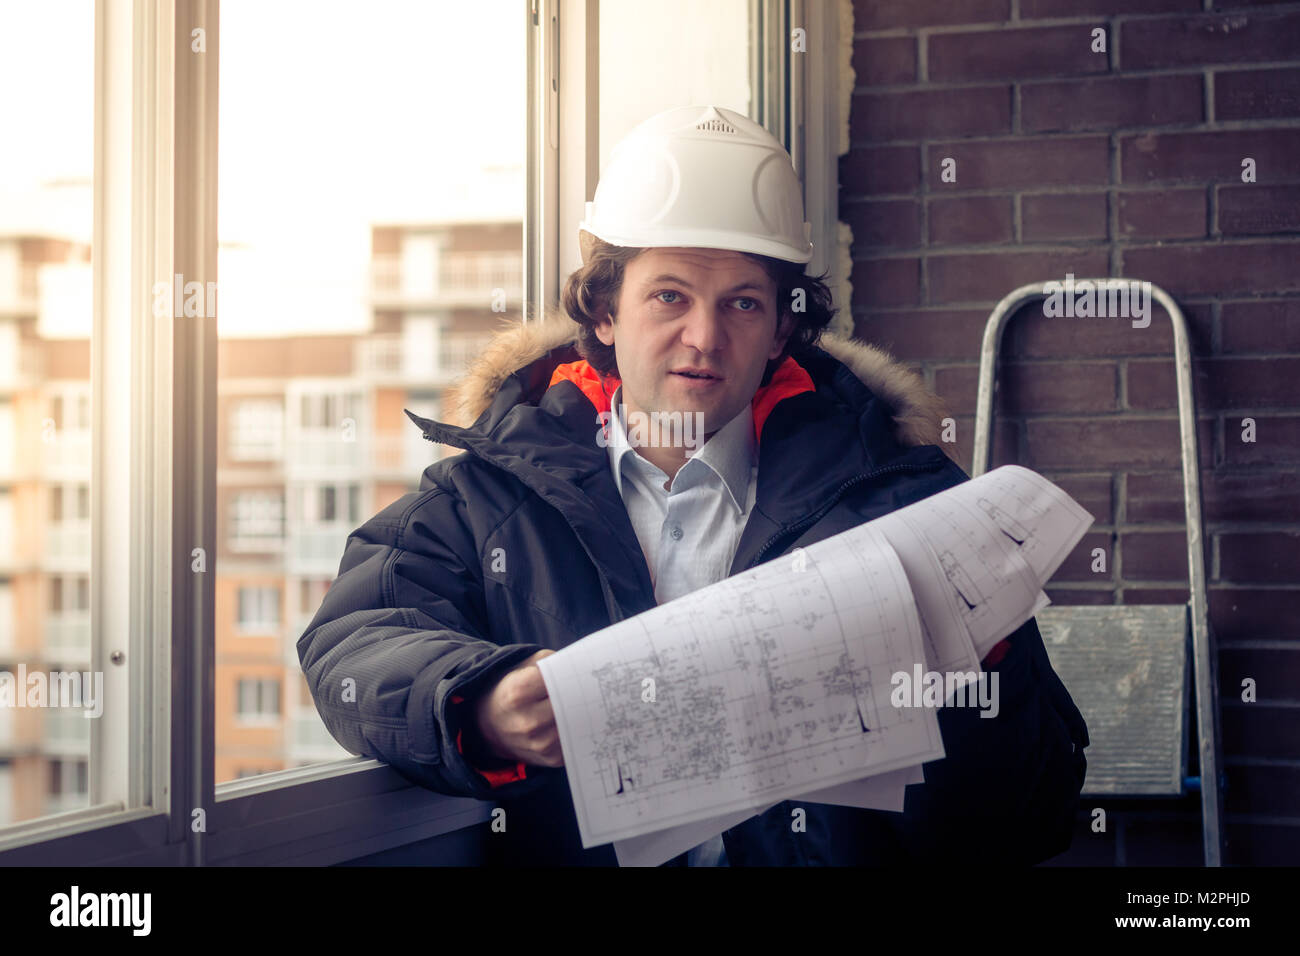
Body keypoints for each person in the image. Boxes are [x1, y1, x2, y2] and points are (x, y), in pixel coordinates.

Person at [297, 105, 1089, 866]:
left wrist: (987, 665)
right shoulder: (484, 503)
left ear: (782, 327)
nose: (704, 337)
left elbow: (1033, 814)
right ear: (605, 312)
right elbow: (353, 644)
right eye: (669, 295)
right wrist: (477, 701)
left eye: (743, 303)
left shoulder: (904, 500)